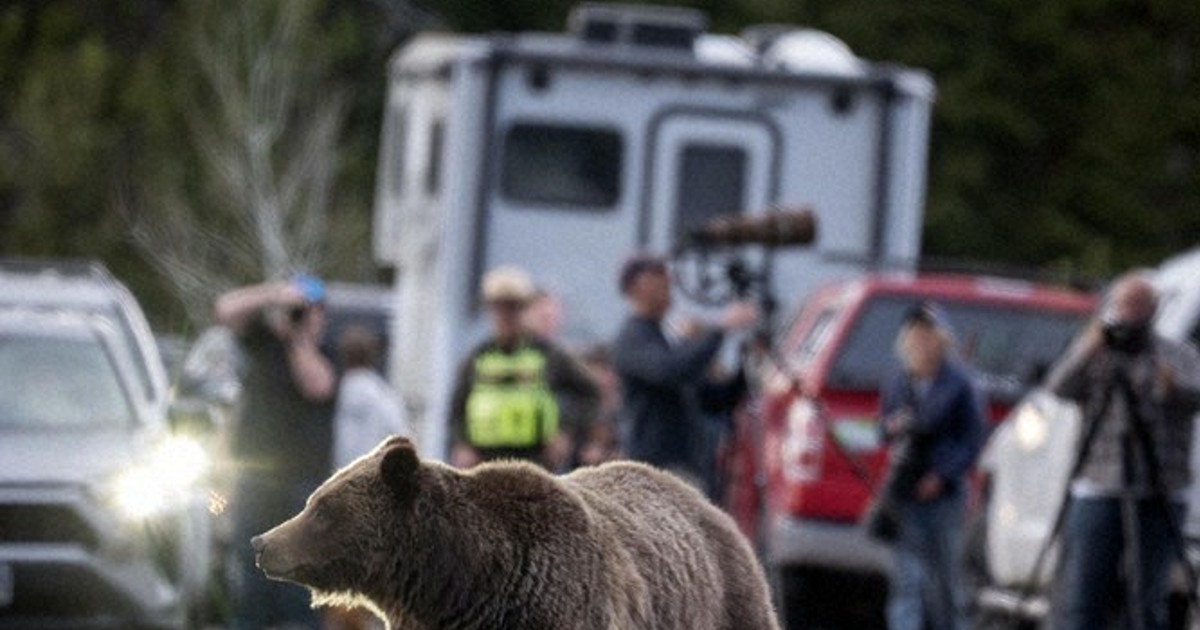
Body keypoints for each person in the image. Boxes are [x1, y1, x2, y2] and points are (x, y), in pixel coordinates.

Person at [1046, 272, 1200, 630]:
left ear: (1154, 310)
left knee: (1146, 600)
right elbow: (1058, 387)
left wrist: (1172, 387)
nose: (1131, 314)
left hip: (1160, 485)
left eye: (1139, 305)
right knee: (1082, 595)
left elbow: (1196, 395)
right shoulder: (1096, 351)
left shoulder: (1176, 354)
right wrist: (1088, 348)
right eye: (1125, 304)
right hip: (1099, 482)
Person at [214, 273, 336, 630]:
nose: (301, 316)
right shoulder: (263, 343)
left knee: (298, 579)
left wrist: (300, 340)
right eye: (299, 311)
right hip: (255, 480)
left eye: (309, 311)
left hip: (303, 484)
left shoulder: (327, 354)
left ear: (321, 316)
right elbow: (225, 309)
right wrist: (274, 295)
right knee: (252, 575)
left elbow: (317, 386)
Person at [876, 301, 983, 630]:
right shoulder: (900, 380)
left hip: (943, 495)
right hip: (905, 489)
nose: (922, 341)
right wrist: (894, 426)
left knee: (946, 580)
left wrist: (943, 475)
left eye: (928, 334)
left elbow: (973, 439)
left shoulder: (960, 383)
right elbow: (882, 428)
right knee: (906, 580)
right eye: (916, 334)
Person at [611, 252, 757, 490]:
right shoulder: (633, 338)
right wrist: (720, 329)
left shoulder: (663, 338)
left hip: (686, 466)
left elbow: (712, 398)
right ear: (635, 286)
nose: (667, 281)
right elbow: (669, 370)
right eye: (657, 274)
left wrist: (745, 364)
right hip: (654, 469)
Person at [448, 265, 601, 471]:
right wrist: (460, 444)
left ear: (526, 309)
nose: (505, 316)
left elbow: (590, 392)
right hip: (481, 463)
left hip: (535, 462)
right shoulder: (477, 357)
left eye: (513, 308)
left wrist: (565, 432)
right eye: (499, 308)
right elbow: (456, 409)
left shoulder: (548, 355)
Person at [332, 326, 410, 471]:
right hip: (375, 469)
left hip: (344, 471)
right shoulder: (381, 394)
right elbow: (399, 430)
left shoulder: (342, 390)